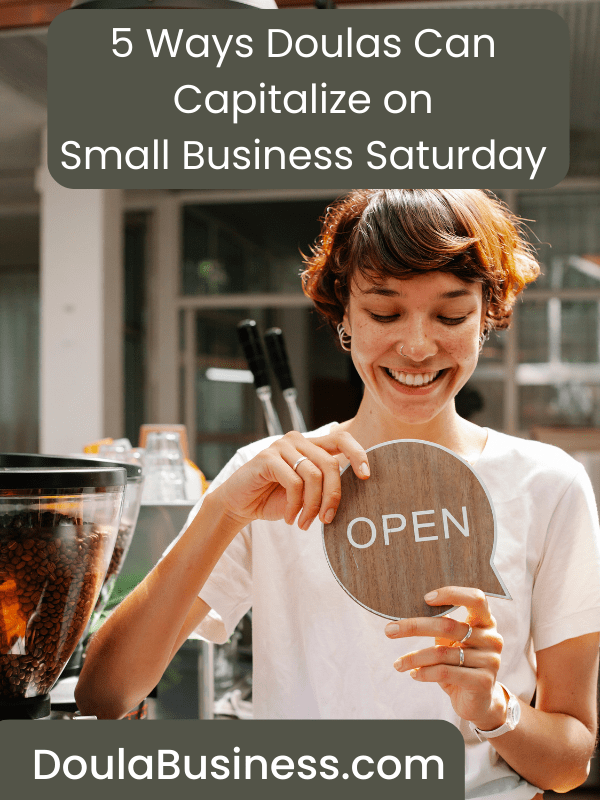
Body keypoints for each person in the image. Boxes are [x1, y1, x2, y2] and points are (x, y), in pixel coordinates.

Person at [77, 190, 600, 800]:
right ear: (344, 319)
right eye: (384, 313)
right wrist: (222, 511)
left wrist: (493, 707)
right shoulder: (273, 478)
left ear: (488, 315)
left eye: (451, 315)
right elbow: (105, 697)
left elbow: (568, 763)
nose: (417, 345)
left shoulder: (548, 484)